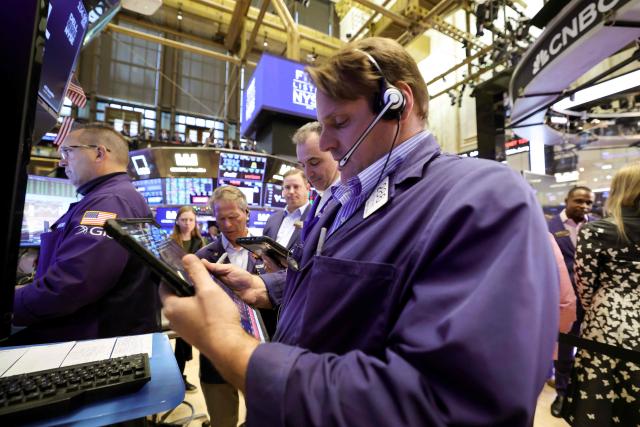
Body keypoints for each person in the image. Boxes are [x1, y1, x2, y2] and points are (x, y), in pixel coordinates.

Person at [161, 37, 558, 426]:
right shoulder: (341, 199)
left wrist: (228, 345)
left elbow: (452, 404)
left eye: (339, 123)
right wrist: (266, 290)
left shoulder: (482, 197)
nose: (329, 142)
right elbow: (344, 281)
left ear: (397, 103)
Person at [11, 122, 160, 345]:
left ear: (99, 153)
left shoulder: (110, 201)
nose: (62, 161)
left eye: (68, 151)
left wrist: (12, 302)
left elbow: (72, 284)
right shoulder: (112, 196)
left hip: (92, 341)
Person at [563, 162, 640, 426]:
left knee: (602, 399)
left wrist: (596, 307)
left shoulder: (597, 230)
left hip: (608, 322)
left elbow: (584, 284)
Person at [193, 186, 272, 427]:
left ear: (246, 212)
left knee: (263, 418)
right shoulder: (204, 257)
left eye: (233, 217)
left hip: (259, 353)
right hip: (217, 356)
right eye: (221, 219)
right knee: (222, 420)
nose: (227, 225)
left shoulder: (268, 252)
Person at [547, 185, 595, 417]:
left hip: (592, 303)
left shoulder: (597, 224)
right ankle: (562, 393)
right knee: (564, 351)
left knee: (591, 351)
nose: (584, 206)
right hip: (563, 302)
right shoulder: (550, 226)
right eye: (579, 201)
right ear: (567, 200)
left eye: (588, 202)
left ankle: (582, 393)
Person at [170, 206, 206, 393]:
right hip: (172, 293)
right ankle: (176, 377)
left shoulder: (200, 242)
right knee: (176, 339)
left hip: (192, 295)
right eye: (184, 220)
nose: (187, 223)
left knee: (185, 340)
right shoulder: (170, 241)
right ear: (177, 221)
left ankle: (179, 377)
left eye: (191, 220)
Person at [293, 121, 340, 220]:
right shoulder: (320, 199)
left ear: (334, 151)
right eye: (303, 165)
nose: (308, 174)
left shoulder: (351, 200)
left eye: (314, 162)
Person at [262, 169, 310, 249]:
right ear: (283, 191)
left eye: (296, 187)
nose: (291, 191)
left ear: (307, 188)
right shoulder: (272, 219)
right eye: (287, 187)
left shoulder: (315, 218)